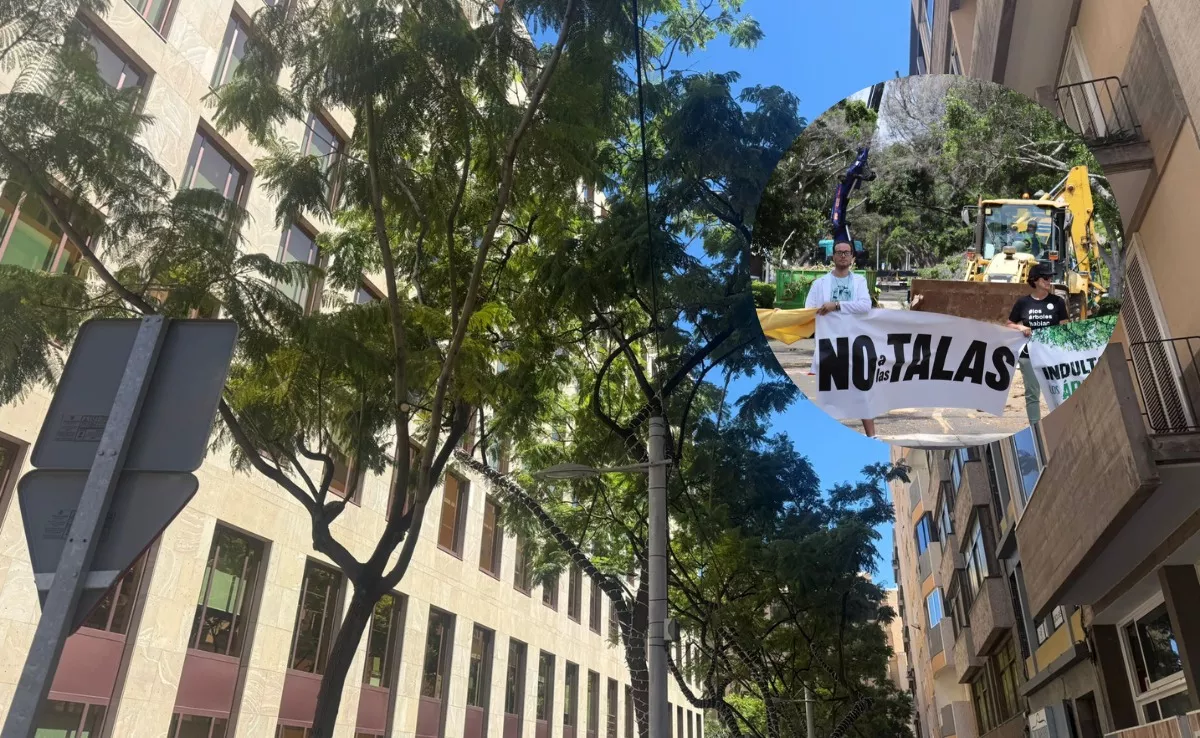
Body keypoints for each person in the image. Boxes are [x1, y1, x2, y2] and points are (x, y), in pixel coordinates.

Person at [806, 239, 877, 437]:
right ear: (833, 256)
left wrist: (836, 305)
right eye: (839, 252)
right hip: (829, 346)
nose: (843, 255)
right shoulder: (819, 284)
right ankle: (828, 437)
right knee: (829, 396)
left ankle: (872, 435)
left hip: (854, 343)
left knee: (862, 392)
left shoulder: (859, 282)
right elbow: (808, 311)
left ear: (853, 258)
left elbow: (865, 305)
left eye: (847, 252)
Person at [1006, 263, 1068, 427]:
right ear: (1035, 280)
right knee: (1032, 392)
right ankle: (1035, 425)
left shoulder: (1058, 302)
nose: (1050, 281)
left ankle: (1060, 422)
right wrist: (1021, 327)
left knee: (1057, 390)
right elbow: (1009, 324)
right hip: (1028, 355)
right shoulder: (1023, 303)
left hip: (1051, 354)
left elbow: (1065, 327)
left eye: (1050, 278)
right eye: (1046, 278)